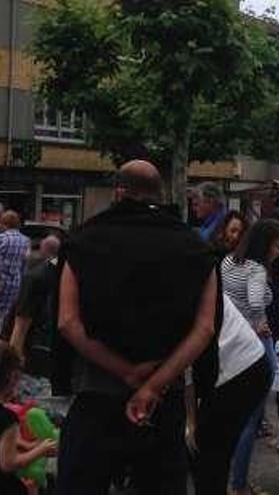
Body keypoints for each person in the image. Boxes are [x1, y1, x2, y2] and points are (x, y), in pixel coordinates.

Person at [55, 160, 218, 494]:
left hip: (97, 390)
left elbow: (68, 323)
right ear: (162, 193)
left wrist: (126, 373)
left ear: (119, 192)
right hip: (164, 395)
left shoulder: (82, 241)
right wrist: (152, 386)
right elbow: (205, 329)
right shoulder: (197, 249)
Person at [221, 218, 279, 495]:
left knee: (232, 415)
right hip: (255, 343)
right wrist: (258, 322)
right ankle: (239, 484)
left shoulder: (229, 262)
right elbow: (256, 300)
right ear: (266, 244)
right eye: (278, 245)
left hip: (228, 340)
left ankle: (229, 478)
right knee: (252, 416)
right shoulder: (257, 270)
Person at [185, 294, 270, 495]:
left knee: (207, 457)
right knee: (210, 457)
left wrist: (191, 419)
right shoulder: (195, 268)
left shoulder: (179, 283)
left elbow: (188, 357)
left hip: (235, 370)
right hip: (247, 361)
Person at [0, 342, 57, 495]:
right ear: (12, 378)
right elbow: (7, 463)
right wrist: (39, 450)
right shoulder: (6, 417)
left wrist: (26, 444)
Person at [9, 235, 62, 378]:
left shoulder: (35, 276)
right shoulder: (65, 273)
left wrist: (12, 365)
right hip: (51, 350)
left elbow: (21, 323)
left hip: (34, 348)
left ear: (43, 250)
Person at [0, 211, 30, 329]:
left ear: (4, 223)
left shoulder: (2, 238)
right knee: (3, 314)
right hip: (14, 284)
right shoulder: (25, 240)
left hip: (1, 280)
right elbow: (24, 264)